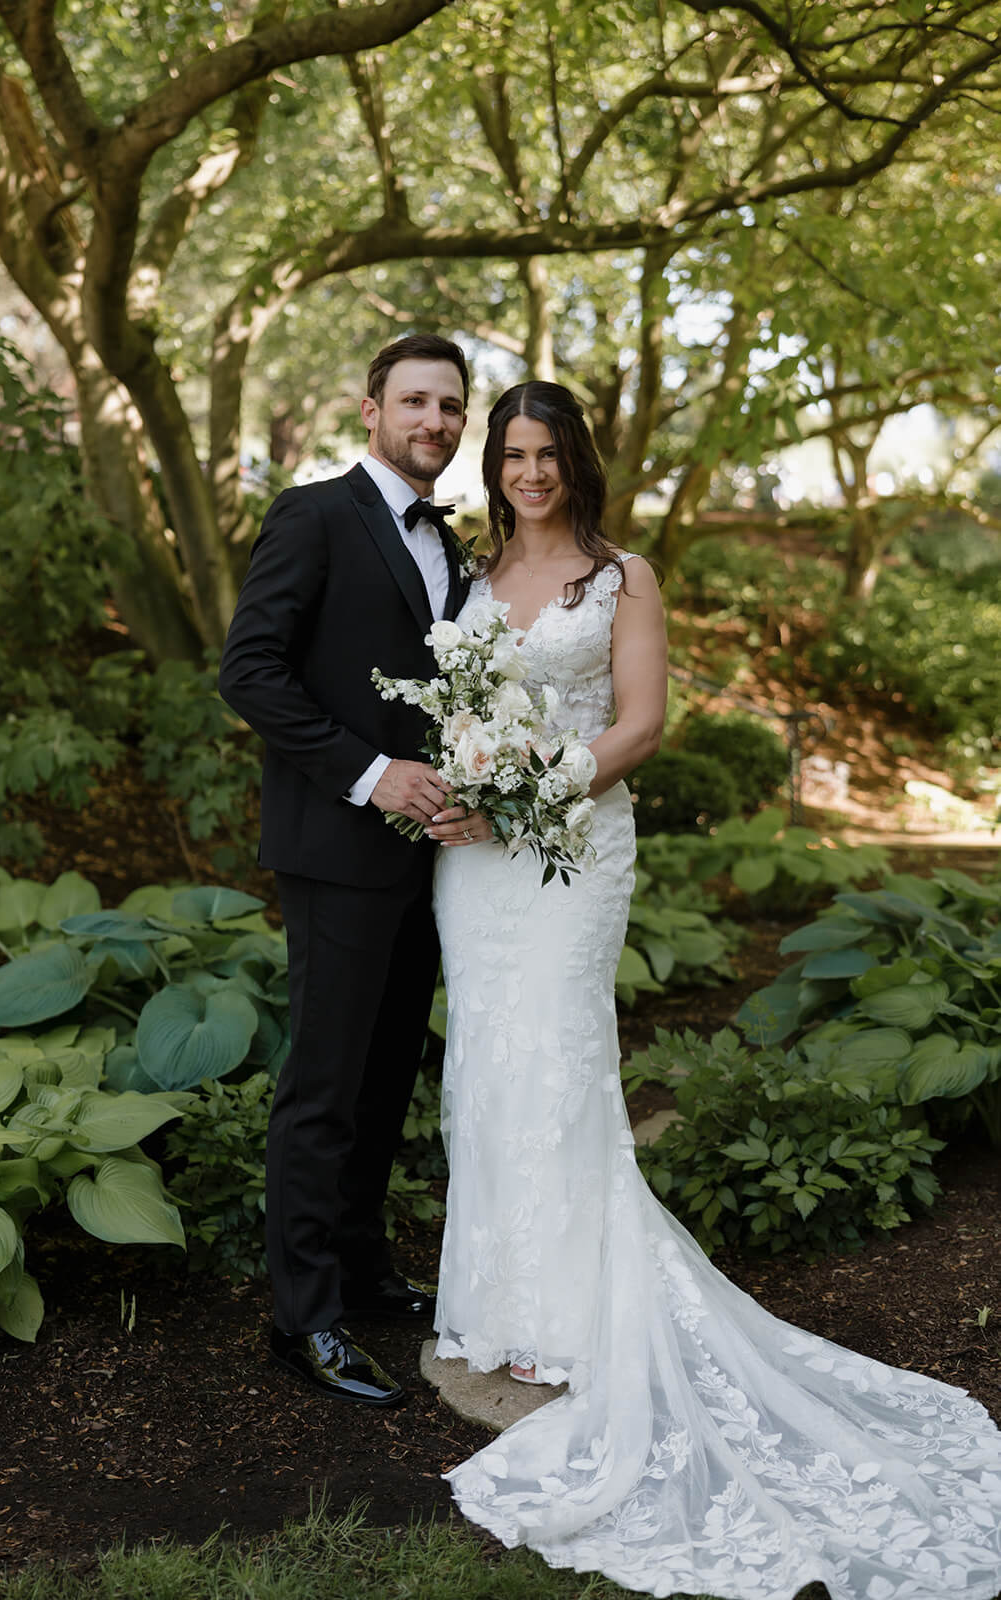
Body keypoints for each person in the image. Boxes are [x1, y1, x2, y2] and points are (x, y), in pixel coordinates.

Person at [431, 381, 1001, 1597]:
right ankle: (498, 1315)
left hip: (573, 852)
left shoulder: (622, 576)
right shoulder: (468, 579)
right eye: (512, 454)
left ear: (577, 460)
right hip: (472, 869)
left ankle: (580, 1318)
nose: (530, 473)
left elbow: (641, 728)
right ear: (495, 465)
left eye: (548, 454)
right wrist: (461, 786)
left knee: (559, 1056)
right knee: (487, 1060)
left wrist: (525, 795)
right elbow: (460, 711)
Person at [219, 334, 488, 1409]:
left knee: (384, 1081)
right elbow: (250, 669)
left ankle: (365, 1271)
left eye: (448, 404)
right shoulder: (314, 514)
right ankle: (304, 1317)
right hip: (336, 847)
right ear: (369, 408)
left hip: (429, 858)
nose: (433, 419)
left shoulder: (453, 548)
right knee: (324, 1088)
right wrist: (370, 774)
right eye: (414, 400)